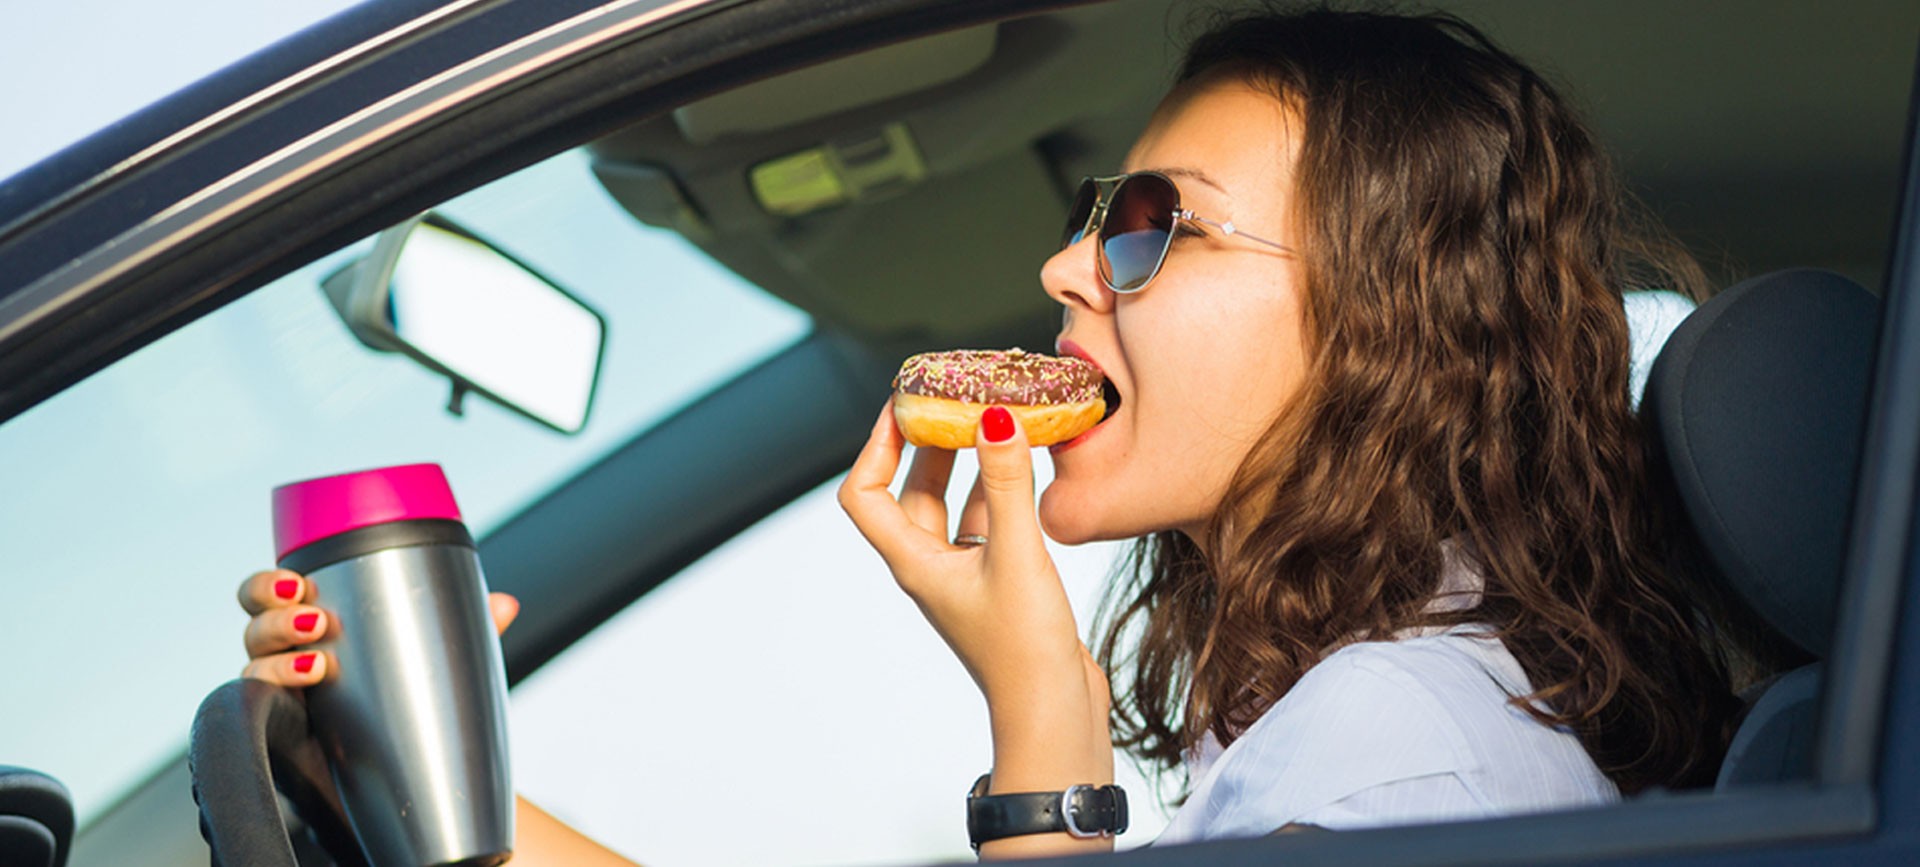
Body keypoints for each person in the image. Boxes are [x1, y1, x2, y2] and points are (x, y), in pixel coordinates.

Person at [235, 6, 1738, 862]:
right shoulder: (1376, 711)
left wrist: (1043, 724)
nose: (1067, 268)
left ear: (1383, 325)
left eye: (1153, 228)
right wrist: (416, 771)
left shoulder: (1397, 754)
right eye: (1097, 218)